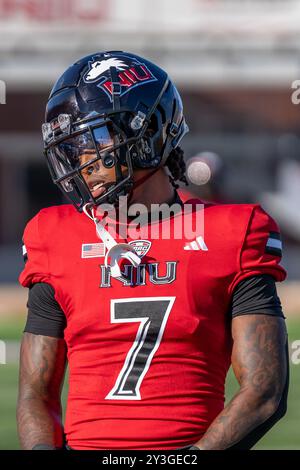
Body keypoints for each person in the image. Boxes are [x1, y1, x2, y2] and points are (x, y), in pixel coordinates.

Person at [17, 51, 288, 451]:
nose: (81, 160)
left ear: (146, 133)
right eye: (71, 146)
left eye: (93, 139)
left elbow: (265, 391)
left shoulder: (234, 231)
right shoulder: (53, 235)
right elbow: (35, 397)